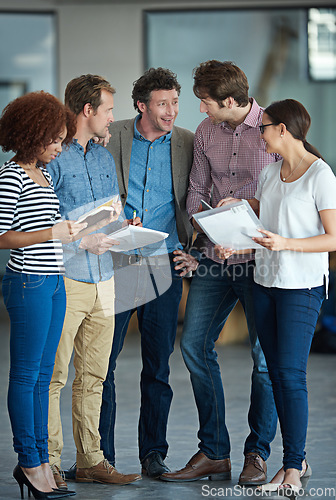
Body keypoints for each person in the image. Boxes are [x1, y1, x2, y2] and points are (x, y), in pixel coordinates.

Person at [161, 60, 278, 484]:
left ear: (229, 100)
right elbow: (196, 192)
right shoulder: (208, 132)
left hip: (260, 260)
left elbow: (286, 198)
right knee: (193, 346)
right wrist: (204, 238)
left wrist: (244, 232)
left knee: (264, 360)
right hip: (214, 257)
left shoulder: (273, 130)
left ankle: (257, 454)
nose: (200, 111)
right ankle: (214, 451)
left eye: (205, 103)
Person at [223, 99, 336, 498]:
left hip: (301, 286)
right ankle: (296, 462)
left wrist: (285, 243)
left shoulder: (321, 176)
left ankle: (292, 464)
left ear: (283, 129)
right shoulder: (271, 173)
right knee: (276, 373)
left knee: (291, 376)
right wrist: (234, 219)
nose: (261, 133)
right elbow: (263, 215)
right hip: (265, 283)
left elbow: (333, 237)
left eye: (264, 127)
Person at [99, 67, 196, 478]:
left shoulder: (189, 142)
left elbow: (203, 195)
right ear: (142, 105)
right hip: (118, 261)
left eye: (175, 102)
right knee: (103, 363)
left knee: (157, 367)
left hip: (164, 264)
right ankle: (98, 456)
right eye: (162, 103)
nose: (171, 110)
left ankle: (153, 453)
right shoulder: (114, 134)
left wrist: (196, 250)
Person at [47, 74, 141, 488]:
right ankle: (47, 463)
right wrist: (85, 238)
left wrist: (126, 228)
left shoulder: (103, 158)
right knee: (55, 377)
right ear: (88, 111)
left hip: (106, 280)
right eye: (108, 110)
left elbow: (109, 213)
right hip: (66, 278)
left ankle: (90, 459)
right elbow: (38, 219)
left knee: (94, 377)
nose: (112, 118)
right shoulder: (51, 157)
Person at [0, 91, 85, 499]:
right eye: (53, 140)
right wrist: (52, 232)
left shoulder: (45, 175)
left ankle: (40, 462)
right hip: (28, 283)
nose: (58, 147)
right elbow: (2, 236)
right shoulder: (10, 176)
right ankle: (29, 462)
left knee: (43, 378)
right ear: (32, 135)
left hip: (54, 281)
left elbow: (48, 231)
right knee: (26, 375)